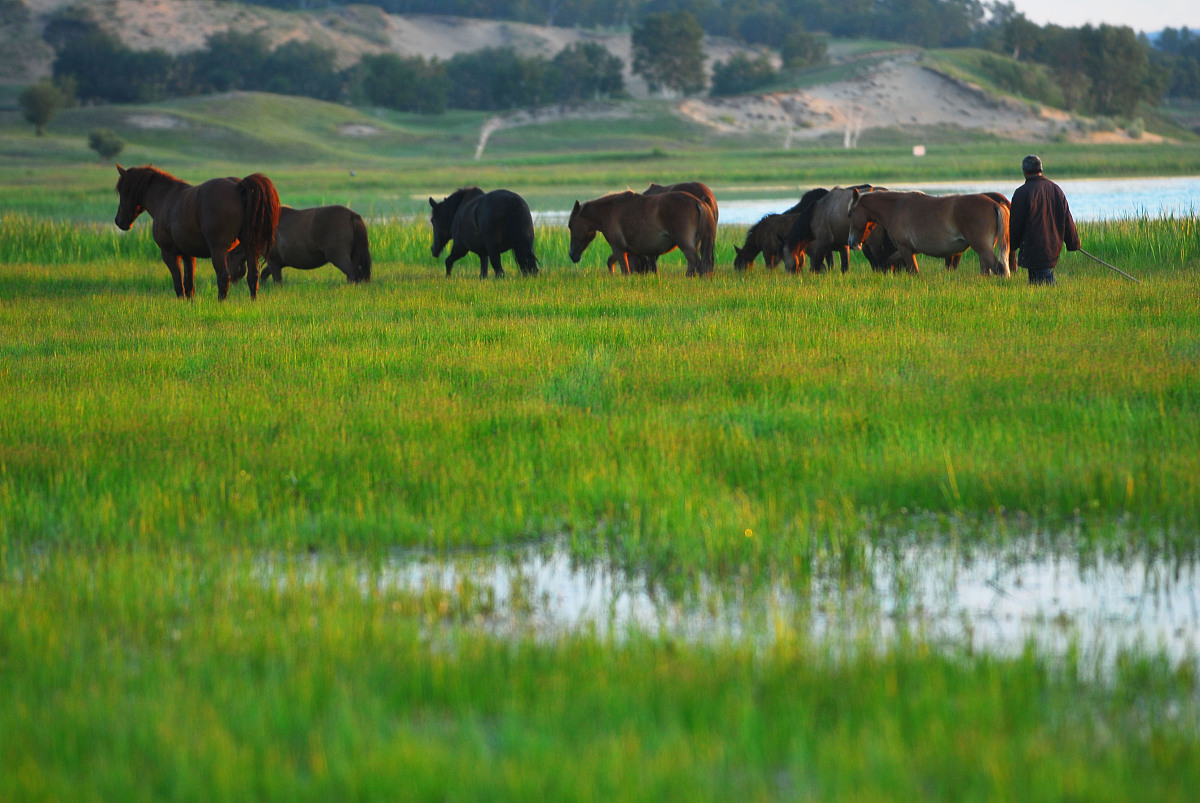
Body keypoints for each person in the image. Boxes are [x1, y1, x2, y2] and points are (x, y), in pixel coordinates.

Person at [1008, 154, 1080, 286]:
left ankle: (1056, 299)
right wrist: (1072, 242)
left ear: (1024, 172)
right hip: (1052, 243)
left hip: (1032, 245)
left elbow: (1016, 223)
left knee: (1045, 279)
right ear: (1041, 169)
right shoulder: (1056, 189)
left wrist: (1013, 244)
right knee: (1035, 281)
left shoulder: (1021, 192)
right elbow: (1067, 218)